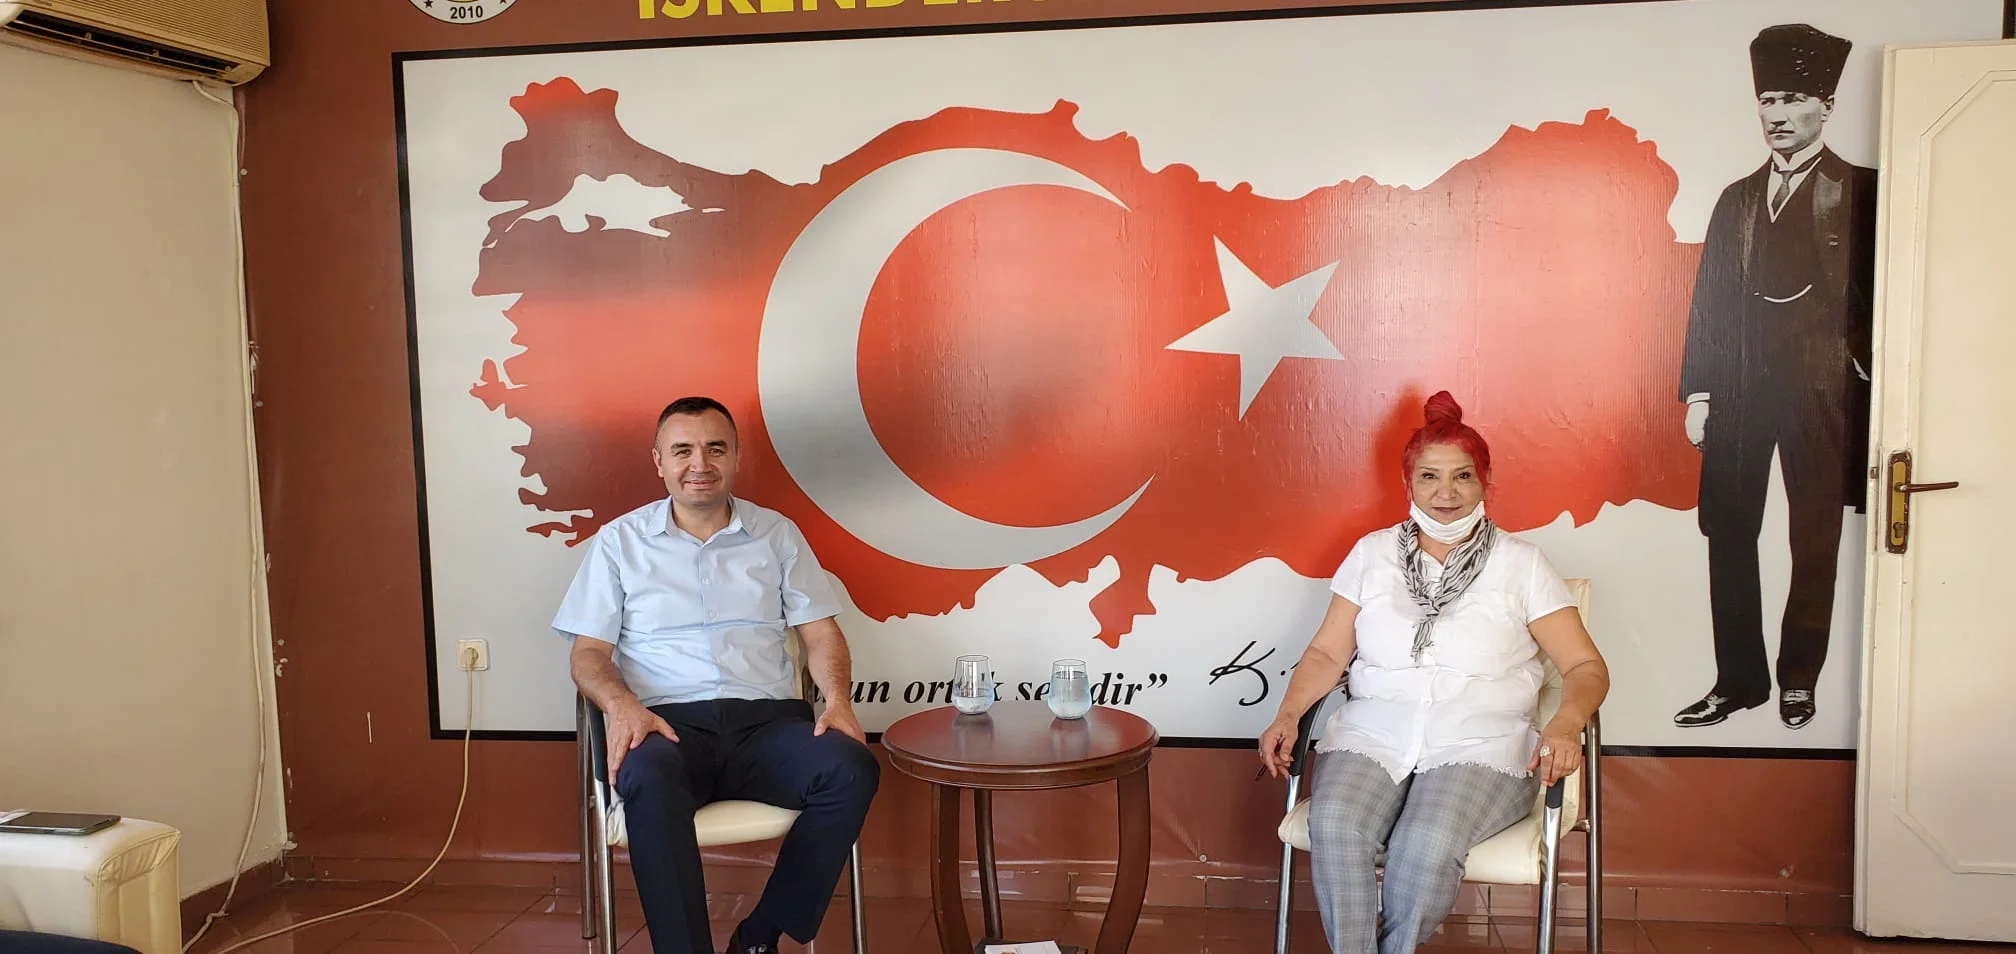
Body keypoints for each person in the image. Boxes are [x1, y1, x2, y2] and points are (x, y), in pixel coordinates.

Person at [1258, 392, 1609, 954]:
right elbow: (1326, 653)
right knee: (1336, 824)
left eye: (1462, 476)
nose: (1446, 493)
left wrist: (1567, 721)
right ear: (1409, 483)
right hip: (1374, 734)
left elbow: (1584, 665)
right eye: (1429, 477)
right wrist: (1288, 713)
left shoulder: (1522, 565)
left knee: (1424, 842)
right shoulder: (1372, 555)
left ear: (1484, 482)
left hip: (1482, 743)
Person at [553, 396, 879, 954]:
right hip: (666, 727)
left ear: (735, 457)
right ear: (658, 461)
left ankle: (759, 936)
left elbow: (821, 633)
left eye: (715, 448)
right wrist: (624, 707)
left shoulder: (776, 534)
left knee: (851, 768)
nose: (699, 464)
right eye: (682, 450)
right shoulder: (619, 542)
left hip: (767, 727)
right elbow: (588, 653)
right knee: (647, 778)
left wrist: (838, 701)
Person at [1673, 23, 1876, 730]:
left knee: (1814, 537)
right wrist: (1700, 392)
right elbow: (1709, 300)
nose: (1777, 115)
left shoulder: (1862, 190)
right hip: (1738, 391)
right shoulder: (1735, 198)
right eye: (1768, 100)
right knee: (1728, 532)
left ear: (1826, 105)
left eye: (1792, 99)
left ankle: (1798, 680)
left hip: (1823, 393)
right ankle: (1738, 682)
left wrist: (1865, 373)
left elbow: (1885, 293)